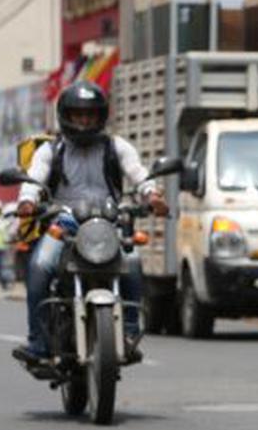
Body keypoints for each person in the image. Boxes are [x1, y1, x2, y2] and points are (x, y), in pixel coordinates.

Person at [12, 81, 169, 366]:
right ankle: (39, 341)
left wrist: (152, 194)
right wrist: (27, 201)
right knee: (39, 265)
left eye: (90, 115)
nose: (84, 121)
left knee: (132, 262)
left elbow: (138, 172)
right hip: (65, 222)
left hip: (110, 220)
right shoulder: (51, 150)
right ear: (65, 116)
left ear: (101, 117)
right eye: (78, 115)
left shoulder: (116, 146)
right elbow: (35, 178)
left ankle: (130, 333)